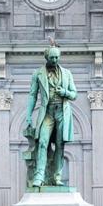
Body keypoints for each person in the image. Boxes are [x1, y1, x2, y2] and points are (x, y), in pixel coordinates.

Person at [23, 45, 77, 188]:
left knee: (60, 145)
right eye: (52, 57)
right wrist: (28, 115)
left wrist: (64, 92)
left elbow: (74, 94)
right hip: (47, 112)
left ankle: (56, 177)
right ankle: (39, 176)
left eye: (56, 57)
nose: (54, 60)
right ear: (46, 57)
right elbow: (33, 95)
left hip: (62, 112)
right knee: (42, 142)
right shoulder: (38, 74)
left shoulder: (67, 73)